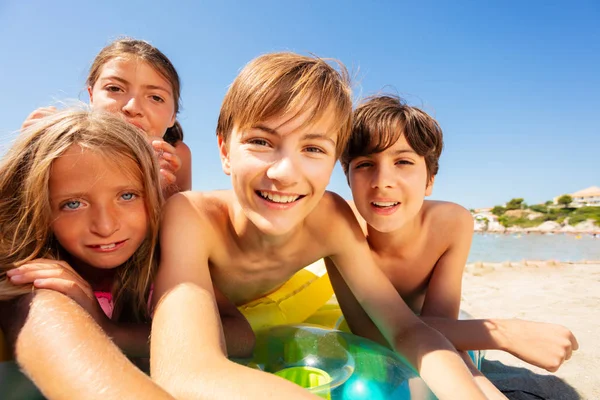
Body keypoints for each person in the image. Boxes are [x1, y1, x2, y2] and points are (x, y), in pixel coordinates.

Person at [152, 52, 488, 399]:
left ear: (333, 162)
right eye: (261, 142)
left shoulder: (330, 220)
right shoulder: (192, 217)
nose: (285, 174)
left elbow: (403, 329)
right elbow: (186, 370)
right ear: (224, 150)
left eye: (312, 148)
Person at [0, 108, 314, 400]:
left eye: (127, 196)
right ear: (39, 209)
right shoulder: (39, 280)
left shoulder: (156, 260)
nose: (106, 226)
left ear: (151, 194)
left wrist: (113, 332)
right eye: (73, 204)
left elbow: (240, 333)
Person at [328, 94, 579, 396]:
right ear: (348, 178)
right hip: (389, 334)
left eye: (403, 162)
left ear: (429, 179)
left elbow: (440, 326)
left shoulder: (452, 223)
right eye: (365, 164)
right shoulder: (341, 229)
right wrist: (505, 333)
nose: (383, 181)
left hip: (442, 327)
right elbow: (367, 329)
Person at [22, 37, 192, 197]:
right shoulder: (61, 145)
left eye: (156, 97)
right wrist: (27, 160)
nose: (132, 108)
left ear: (172, 117)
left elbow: (179, 223)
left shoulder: (175, 157)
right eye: (115, 89)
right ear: (91, 96)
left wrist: (161, 192)